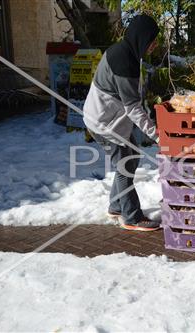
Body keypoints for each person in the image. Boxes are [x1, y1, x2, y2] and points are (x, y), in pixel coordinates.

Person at [83, 15, 160, 232]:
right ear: (141, 38)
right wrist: (157, 135)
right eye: (152, 41)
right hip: (103, 122)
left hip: (110, 119)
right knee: (125, 166)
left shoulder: (126, 52)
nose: (154, 45)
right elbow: (133, 107)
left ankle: (116, 205)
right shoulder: (124, 61)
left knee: (131, 159)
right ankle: (131, 217)